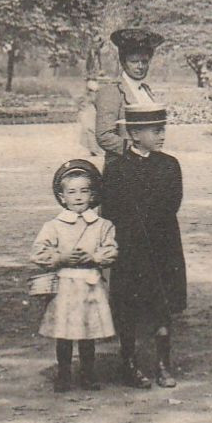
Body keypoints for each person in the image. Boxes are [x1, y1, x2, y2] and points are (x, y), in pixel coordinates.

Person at [98, 102, 186, 389]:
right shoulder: (117, 169)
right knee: (129, 307)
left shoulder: (169, 165)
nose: (162, 135)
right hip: (131, 250)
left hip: (163, 247)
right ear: (135, 134)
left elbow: (172, 204)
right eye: (155, 130)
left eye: (163, 129)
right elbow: (110, 210)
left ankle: (162, 364)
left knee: (162, 306)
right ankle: (129, 363)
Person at [31, 159, 117, 392]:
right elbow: (38, 253)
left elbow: (111, 251)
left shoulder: (102, 225)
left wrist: (94, 256)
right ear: (62, 197)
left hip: (90, 285)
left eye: (84, 191)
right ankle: (64, 374)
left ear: (92, 195)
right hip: (65, 287)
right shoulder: (54, 226)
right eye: (72, 192)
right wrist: (61, 257)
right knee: (64, 334)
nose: (78, 197)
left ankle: (88, 374)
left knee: (88, 333)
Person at [95, 28, 164, 169]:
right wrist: (136, 151)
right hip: (122, 168)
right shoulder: (112, 91)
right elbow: (104, 135)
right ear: (123, 62)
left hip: (148, 166)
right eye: (134, 61)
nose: (140, 66)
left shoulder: (146, 90)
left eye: (144, 61)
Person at [77, 80, 102, 159]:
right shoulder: (87, 95)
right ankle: (93, 149)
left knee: (91, 130)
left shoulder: (91, 94)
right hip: (88, 111)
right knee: (89, 130)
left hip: (91, 111)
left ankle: (94, 149)